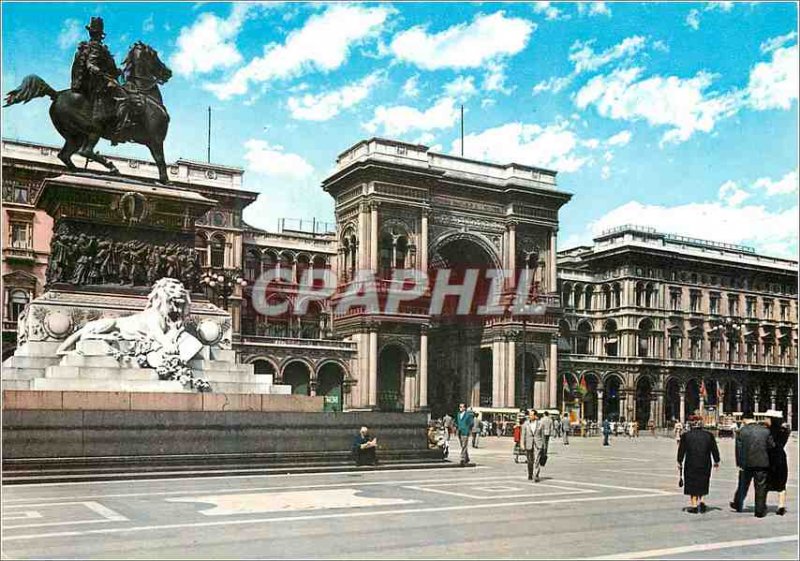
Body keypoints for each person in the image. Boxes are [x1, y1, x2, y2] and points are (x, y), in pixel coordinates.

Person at [70, 17, 122, 131]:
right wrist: (100, 72)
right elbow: (91, 63)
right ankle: (114, 124)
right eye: (97, 34)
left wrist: (116, 71)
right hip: (97, 82)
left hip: (89, 80)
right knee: (122, 95)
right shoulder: (96, 46)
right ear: (99, 34)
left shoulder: (87, 46)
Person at [730, 416, 774, 517]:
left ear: (744, 420)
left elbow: (738, 449)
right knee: (760, 486)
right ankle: (759, 510)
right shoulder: (765, 431)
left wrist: (739, 463)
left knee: (743, 485)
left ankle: (738, 504)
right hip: (762, 463)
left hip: (746, 463)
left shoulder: (741, 431)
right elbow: (771, 446)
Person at [677, 415, 720, 513]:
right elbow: (714, 449)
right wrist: (716, 461)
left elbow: (681, 450)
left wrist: (679, 461)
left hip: (691, 463)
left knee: (692, 482)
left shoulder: (686, 436)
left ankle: (694, 505)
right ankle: (702, 501)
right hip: (705, 463)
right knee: (703, 481)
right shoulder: (709, 435)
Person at [765, 410, 789, 516]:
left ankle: (762, 504)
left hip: (769, 458)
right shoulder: (784, 430)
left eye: (767, 418)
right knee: (781, 484)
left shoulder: (767, 432)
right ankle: (781, 506)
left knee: (765, 483)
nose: (765, 420)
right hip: (781, 458)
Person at [521, 409, 545, 482]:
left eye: (531, 415)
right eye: (529, 415)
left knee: (536, 460)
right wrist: (522, 444)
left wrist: (543, 445)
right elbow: (523, 435)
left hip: (538, 444)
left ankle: (536, 475)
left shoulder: (540, 424)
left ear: (535, 416)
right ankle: (530, 474)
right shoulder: (525, 424)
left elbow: (542, 435)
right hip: (529, 444)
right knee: (530, 461)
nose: (530, 416)